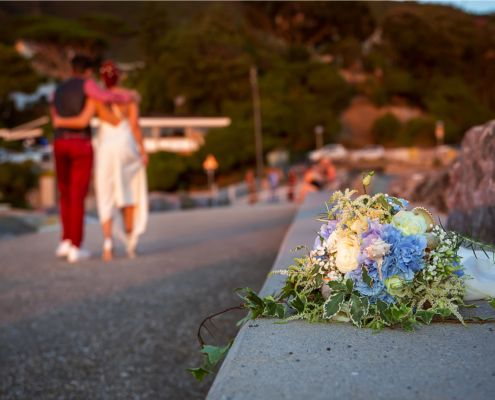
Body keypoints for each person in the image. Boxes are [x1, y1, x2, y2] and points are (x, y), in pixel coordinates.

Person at [53, 60, 148, 261]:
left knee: (105, 193)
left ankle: (107, 244)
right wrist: (142, 150)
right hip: (125, 144)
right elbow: (135, 126)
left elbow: (84, 119)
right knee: (128, 190)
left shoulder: (91, 98)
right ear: (119, 76)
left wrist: (59, 121)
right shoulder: (128, 98)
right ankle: (130, 241)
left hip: (104, 146)